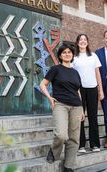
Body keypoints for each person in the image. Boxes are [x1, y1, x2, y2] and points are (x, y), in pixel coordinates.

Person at [40, 43, 85, 172]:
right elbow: (43, 84)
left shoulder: (75, 72)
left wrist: (82, 109)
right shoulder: (55, 69)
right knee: (61, 135)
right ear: (60, 55)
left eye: (69, 52)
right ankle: (54, 152)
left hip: (76, 106)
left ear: (72, 55)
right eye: (64, 52)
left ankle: (69, 165)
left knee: (74, 138)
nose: (67, 54)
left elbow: (78, 91)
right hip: (60, 104)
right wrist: (49, 97)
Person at [72, 34, 104, 153]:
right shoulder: (74, 57)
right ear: (77, 42)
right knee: (80, 117)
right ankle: (81, 145)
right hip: (79, 90)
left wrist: (100, 90)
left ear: (87, 42)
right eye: (81, 40)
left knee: (93, 117)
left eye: (85, 39)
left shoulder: (93, 56)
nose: (83, 41)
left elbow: (98, 74)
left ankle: (94, 144)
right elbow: (71, 74)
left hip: (92, 89)